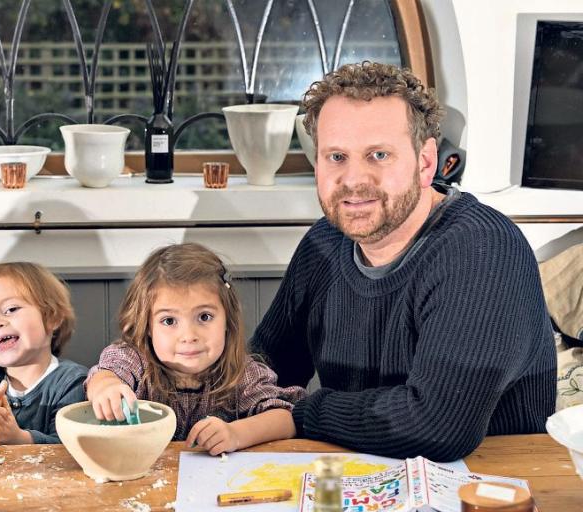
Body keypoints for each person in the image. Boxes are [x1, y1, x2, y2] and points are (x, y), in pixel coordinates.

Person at [250, 62, 555, 462]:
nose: (354, 179)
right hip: (362, 473)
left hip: (491, 493)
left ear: (425, 163)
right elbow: (263, 373)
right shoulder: (322, 244)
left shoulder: (484, 249)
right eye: (337, 156)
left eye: (378, 155)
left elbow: (438, 426)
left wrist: (304, 413)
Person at [86, 243, 304, 455]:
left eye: (204, 317)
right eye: (169, 321)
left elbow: (285, 417)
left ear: (228, 321)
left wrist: (235, 434)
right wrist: (107, 387)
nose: (189, 336)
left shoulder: (242, 373)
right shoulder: (135, 359)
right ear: (147, 326)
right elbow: (106, 375)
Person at [0, 262, 87, 445]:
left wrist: (19, 439)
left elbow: (67, 446)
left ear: (52, 317)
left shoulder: (72, 381)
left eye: (11, 310)